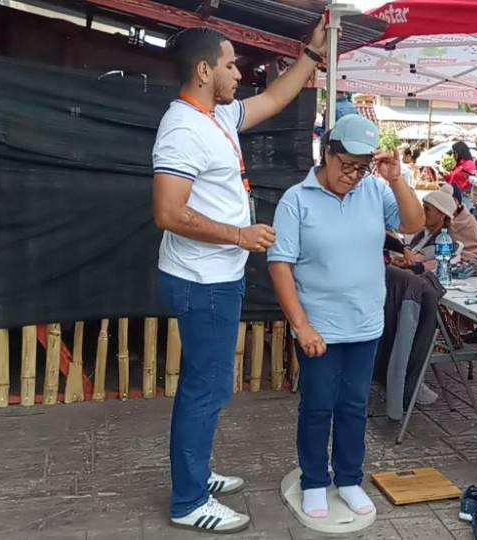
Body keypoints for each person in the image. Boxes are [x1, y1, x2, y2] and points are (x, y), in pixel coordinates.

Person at [152, 23, 327, 533]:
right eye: (229, 64)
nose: (238, 73)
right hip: (201, 281)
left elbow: (275, 96)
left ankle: (197, 474)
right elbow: (167, 212)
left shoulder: (218, 117)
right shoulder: (183, 129)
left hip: (213, 278)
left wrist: (312, 54)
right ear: (204, 71)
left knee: (208, 386)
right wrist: (238, 235)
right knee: (205, 390)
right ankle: (188, 501)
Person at [268, 115, 424, 519]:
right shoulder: (296, 200)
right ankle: (314, 480)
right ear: (327, 153)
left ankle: (350, 478)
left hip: (364, 323)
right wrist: (301, 325)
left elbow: (413, 223)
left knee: (354, 405)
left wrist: (396, 179)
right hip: (318, 326)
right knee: (318, 405)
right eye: (346, 165)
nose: (353, 175)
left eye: (362, 166)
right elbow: (280, 264)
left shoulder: (374, 189)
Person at [393, 187, 461, 273]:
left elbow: (418, 259)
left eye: (427, 209)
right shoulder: (423, 233)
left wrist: (406, 261)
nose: (422, 211)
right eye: (423, 207)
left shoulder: (445, 240)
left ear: (442, 215)